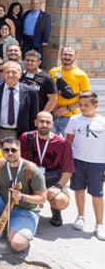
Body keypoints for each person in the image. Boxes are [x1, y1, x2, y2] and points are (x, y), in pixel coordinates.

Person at [0, 137, 47, 251]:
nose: (10, 153)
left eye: (14, 150)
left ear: (20, 150)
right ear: (2, 151)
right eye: (6, 150)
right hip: (4, 204)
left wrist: (22, 197)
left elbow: (42, 198)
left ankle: (17, 227)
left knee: (18, 245)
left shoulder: (32, 170)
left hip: (25, 211)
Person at [19, 111, 75, 227]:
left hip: (53, 178)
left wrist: (58, 187)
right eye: (41, 121)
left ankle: (56, 211)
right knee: (15, 193)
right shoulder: (26, 137)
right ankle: (29, 208)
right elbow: (20, 163)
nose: (44, 124)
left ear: (52, 124)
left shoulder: (62, 143)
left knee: (61, 200)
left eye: (47, 122)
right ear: (35, 122)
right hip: (32, 177)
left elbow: (68, 170)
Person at [65, 91, 105, 239]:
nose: (83, 107)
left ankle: (99, 224)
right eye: (80, 105)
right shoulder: (75, 120)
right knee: (79, 189)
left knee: (97, 193)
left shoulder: (102, 122)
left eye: (86, 105)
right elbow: (68, 141)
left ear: (96, 105)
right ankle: (81, 216)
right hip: (78, 160)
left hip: (98, 162)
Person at [0, 61, 39, 139]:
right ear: (3, 74)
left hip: (22, 134)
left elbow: (33, 116)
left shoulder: (30, 92)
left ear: (20, 74)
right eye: (7, 72)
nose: (10, 75)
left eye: (14, 72)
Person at [49, 45, 91, 135]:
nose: (67, 57)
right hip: (52, 116)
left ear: (76, 56)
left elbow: (86, 98)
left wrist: (67, 109)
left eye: (70, 55)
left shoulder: (81, 75)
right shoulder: (52, 72)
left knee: (69, 147)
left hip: (70, 118)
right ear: (60, 55)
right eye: (65, 54)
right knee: (50, 146)